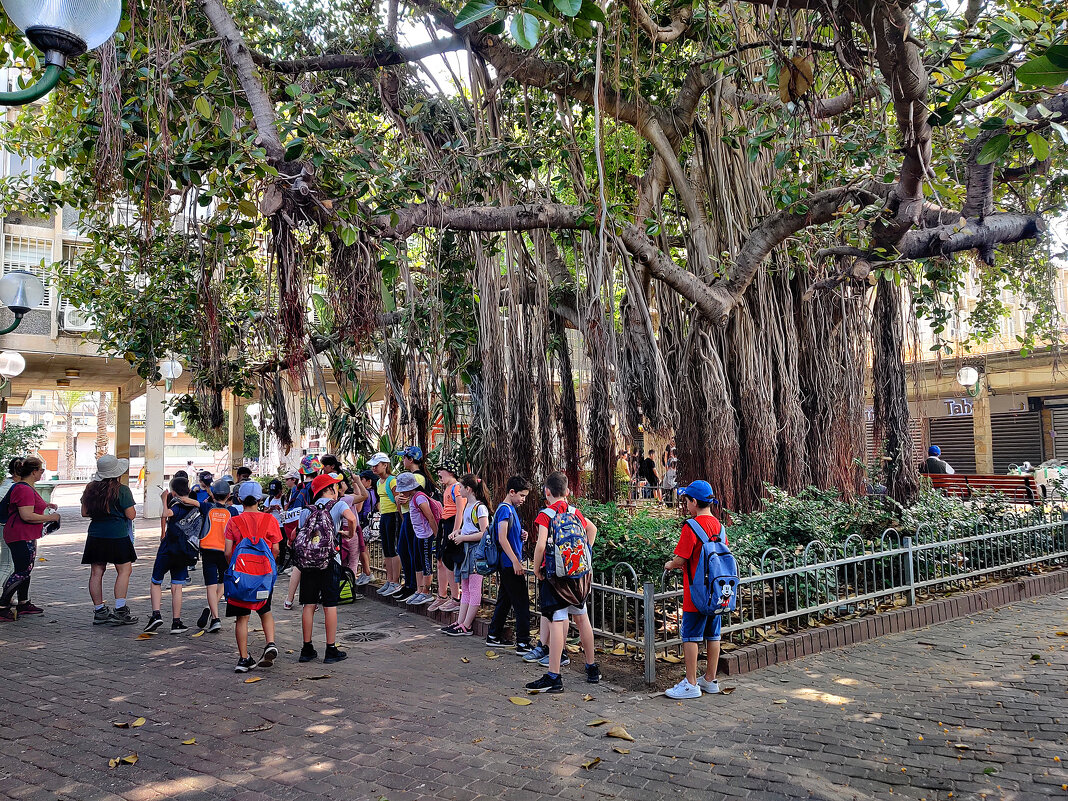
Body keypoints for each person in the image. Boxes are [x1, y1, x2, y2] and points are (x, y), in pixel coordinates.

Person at [525, 471, 601, 693]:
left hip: (557, 577)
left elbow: (540, 546)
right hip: (579, 576)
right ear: (567, 492)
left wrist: (537, 569)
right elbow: (592, 529)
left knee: (558, 620)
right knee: (581, 617)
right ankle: (592, 668)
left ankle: (554, 675)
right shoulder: (574, 511)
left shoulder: (545, 515)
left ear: (547, 492)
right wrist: (584, 553)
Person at [663, 479, 725, 699]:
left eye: (686, 500)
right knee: (713, 634)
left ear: (694, 501)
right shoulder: (720, 526)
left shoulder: (691, 526)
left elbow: (681, 559)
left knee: (691, 636)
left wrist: (670, 564)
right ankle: (710, 679)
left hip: (695, 593)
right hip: (716, 592)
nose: (685, 504)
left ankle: (690, 683)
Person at [295, 472, 356, 664]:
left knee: (309, 605)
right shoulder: (339, 505)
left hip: (308, 563)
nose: (338, 489)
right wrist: (348, 534)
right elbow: (352, 519)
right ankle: (331, 650)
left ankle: (306, 649)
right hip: (330, 561)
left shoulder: (306, 509)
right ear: (329, 489)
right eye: (336, 487)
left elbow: (301, 533)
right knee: (330, 606)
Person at [224, 481, 282, 672]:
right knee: (265, 611)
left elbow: (227, 552)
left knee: (241, 618)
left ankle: (243, 659)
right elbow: (275, 549)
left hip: (240, 578)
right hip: (263, 577)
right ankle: (270, 642)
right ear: (260, 499)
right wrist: (268, 569)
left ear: (239, 499)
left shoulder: (233, 521)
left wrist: (235, 570)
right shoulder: (270, 520)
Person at [80, 455, 140, 626]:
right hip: (118, 535)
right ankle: (120, 609)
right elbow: (131, 515)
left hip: (95, 535)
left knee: (96, 572)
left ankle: (99, 610)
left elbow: (84, 513)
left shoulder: (90, 488)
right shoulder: (122, 490)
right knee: (124, 570)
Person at [0, 457, 61, 621]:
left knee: (26, 568)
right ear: (34, 472)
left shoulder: (25, 487)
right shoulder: (24, 489)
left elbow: (28, 506)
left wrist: (46, 506)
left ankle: (23, 603)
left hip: (25, 534)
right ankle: (3, 606)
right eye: (41, 470)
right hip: (20, 534)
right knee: (21, 571)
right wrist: (52, 518)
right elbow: (26, 515)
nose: (42, 473)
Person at [144, 475, 201, 634]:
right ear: (189, 490)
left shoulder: (176, 504)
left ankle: (156, 614)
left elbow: (167, 513)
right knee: (177, 585)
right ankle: (176, 622)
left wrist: (164, 499)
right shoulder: (195, 506)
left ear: (174, 492)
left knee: (156, 581)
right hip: (184, 551)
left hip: (169, 548)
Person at [486, 476, 533, 653]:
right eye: (521, 495)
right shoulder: (505, 510)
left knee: (504, 601)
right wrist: (515, 561)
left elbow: (509, 534)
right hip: (510, 563)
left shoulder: (510, 509)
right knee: (521, 603)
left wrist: (522, 534)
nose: (523, 499)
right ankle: (523, 642)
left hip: (509, 562)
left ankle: (493, 635)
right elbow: (501, 537)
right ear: (511, 492)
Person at [441, 474, 491, 637]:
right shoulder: (469, 506)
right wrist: (458, 532)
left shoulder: (479, 507)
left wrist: (463, 537)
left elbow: (484, 533)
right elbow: (470, 527)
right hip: (466, 550)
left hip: (476, 552)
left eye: (461, 487)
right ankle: (461, 621)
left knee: (474, 588)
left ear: (468, 489)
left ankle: (467, 624)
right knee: (466, 587)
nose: (459, 489)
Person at [194, 478, 235, 632]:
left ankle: (215, 618)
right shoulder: (233, 511)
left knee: (210, 585)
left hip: (208, 550)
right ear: (229, 495)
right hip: (226, 552)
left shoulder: (207, 507)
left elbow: (192, 502)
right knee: (223, 581)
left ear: (213, 495)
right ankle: (212, 610)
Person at [394, 446, 434, 603]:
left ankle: (416, 586)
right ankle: (411, 584)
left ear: (410, 459)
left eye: (404, 458)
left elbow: (418, 498)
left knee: (411, 551)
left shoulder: (418, 478)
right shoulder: (412, 476)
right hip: (407, 516)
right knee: (404, 550)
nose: (402, 461)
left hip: (413, 518)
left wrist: (405, 500)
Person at [282, 457, 320, 609]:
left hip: (300, 530)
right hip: (315, 530)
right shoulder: (316, 487)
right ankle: (311, 600)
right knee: (315, 565)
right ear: (317, 470)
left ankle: (289, 599)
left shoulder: (298, 489)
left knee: (299, 565)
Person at [429, 459, 464, 613]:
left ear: (450, 471)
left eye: (441, 470)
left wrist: (455, 530)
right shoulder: (448, 488)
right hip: (445, 524)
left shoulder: (456, 488)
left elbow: (460, 510)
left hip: (452, 525)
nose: (438, 474)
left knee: (449, 562)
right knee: (441, 561)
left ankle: (455, 597)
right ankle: (442, 595)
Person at [370, 452, 404, 597]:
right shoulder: (379, 482)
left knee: (393, 548)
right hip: (384, 516)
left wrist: (401, 518)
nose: (374, 469)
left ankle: (395, 581)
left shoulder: (392, 481)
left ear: (385, 465)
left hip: (393, 515)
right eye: (372, 466)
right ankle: (389, 580)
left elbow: (398, 501)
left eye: (376, 465)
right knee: (387, 549)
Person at [338, 472, 371, 587]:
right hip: (350, 530)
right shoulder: (346, 499)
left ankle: (341, 587)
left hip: (339, 530)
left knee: (342, 561)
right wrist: (357, 481)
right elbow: (364, 495)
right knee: (353, 561)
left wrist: (355, 484)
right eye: (342, 482)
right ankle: (350, 588)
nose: (344, 482)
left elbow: (358, 504)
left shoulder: (338, 500)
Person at [0, 457, 24, 593]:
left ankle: (7, 595)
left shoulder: (6, 484)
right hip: (6, 526)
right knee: (7, 564)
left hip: (4, 525)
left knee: (8, 563)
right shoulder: (13, 487)